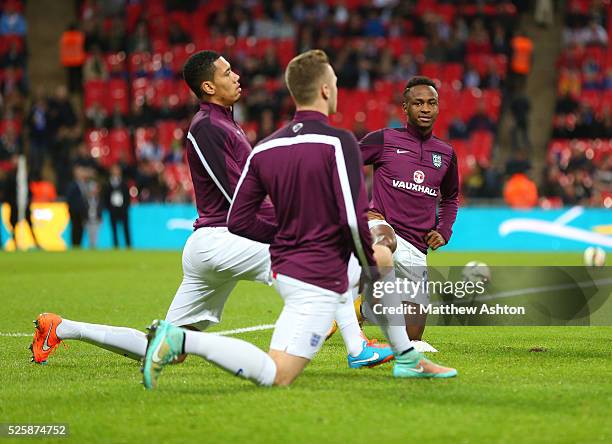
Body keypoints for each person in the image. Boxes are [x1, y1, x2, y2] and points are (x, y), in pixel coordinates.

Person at [30, 51, 390, 370]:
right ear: (208, 86)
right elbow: (236, 198)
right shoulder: (206, 128)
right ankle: (357, 347)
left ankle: (61, 327)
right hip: (224, 237)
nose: (236, 76)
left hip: (219, 244)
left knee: (162, 345)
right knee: (324, 256)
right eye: (227, 72)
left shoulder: (225, 124)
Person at [142, 50, 456, 389]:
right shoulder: (339, 143)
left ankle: (385, 352)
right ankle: (182, 340)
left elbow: (241, 220)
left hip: (282, 263)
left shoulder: (266, 146)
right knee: (376, 258)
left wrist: (288, 237)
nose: (337, 89)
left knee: (279, 371)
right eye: (334, 83)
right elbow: (351, 218)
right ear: (324, 90)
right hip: (310, 273)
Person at [357, 76, 460, 352]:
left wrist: (444, 231)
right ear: (405, 107)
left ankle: (362, 308)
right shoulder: (383, 139)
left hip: (417, 245)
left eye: (431, 103)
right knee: (383, 243)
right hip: (383, 226)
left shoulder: (446, 153)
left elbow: (450, 198)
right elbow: (345, 165)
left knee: (413, 337)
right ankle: (352, 286)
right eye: (418, 103)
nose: (425, 108)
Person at [104, 164, 131, 248]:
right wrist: (109, 208)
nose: (116, 171)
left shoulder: (124, 183)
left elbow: (127, 196)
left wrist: (126, 207)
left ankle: (128, 245)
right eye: (114, 169)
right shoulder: (108, 184)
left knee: (126, 229)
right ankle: (116, 246)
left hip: (123, 209)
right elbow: (106, 197)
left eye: (117, 170)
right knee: (114, 229)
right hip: (113, 210)